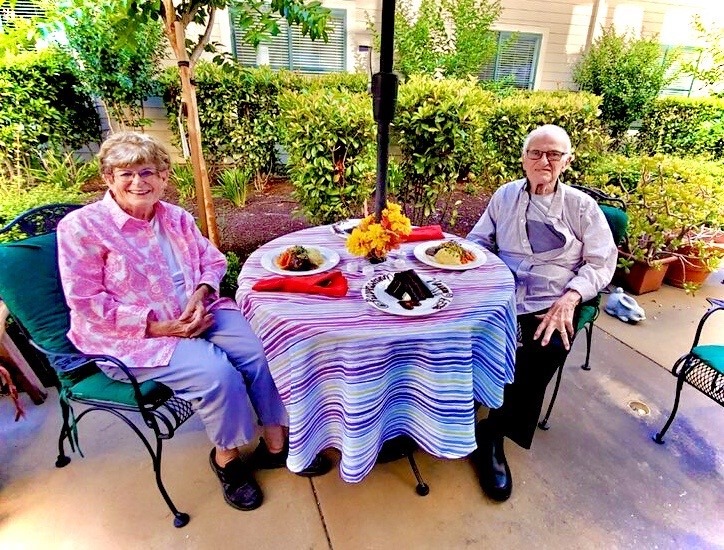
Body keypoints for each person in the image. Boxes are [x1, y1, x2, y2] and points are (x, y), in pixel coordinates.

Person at [56, 132, 331, 512]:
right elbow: (86, 303)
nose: (139, 182)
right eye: (126, 173)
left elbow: (212, 261)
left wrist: (202, 294)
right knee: (218, 374)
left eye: (148, 171)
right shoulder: (82, 227)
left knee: (263, 350)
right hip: (135, 335)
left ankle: (275, 442)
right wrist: (161, 326)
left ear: (164, 177)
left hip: (200, 312)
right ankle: (227, 459)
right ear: (108, 178)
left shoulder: (175, 217)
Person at [466, 124, 617, 502]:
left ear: (568, 160)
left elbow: (602, 263)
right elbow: (478, 242)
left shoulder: (583, 207)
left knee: (545, 345)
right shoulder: (504, 196)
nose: (543, 161)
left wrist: (570, 298)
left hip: (553, 299)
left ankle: (493, 434)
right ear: (524, 158)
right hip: (501, 291)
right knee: (445, 328)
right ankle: (449, 409)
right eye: (536, 153)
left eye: (553, 154)